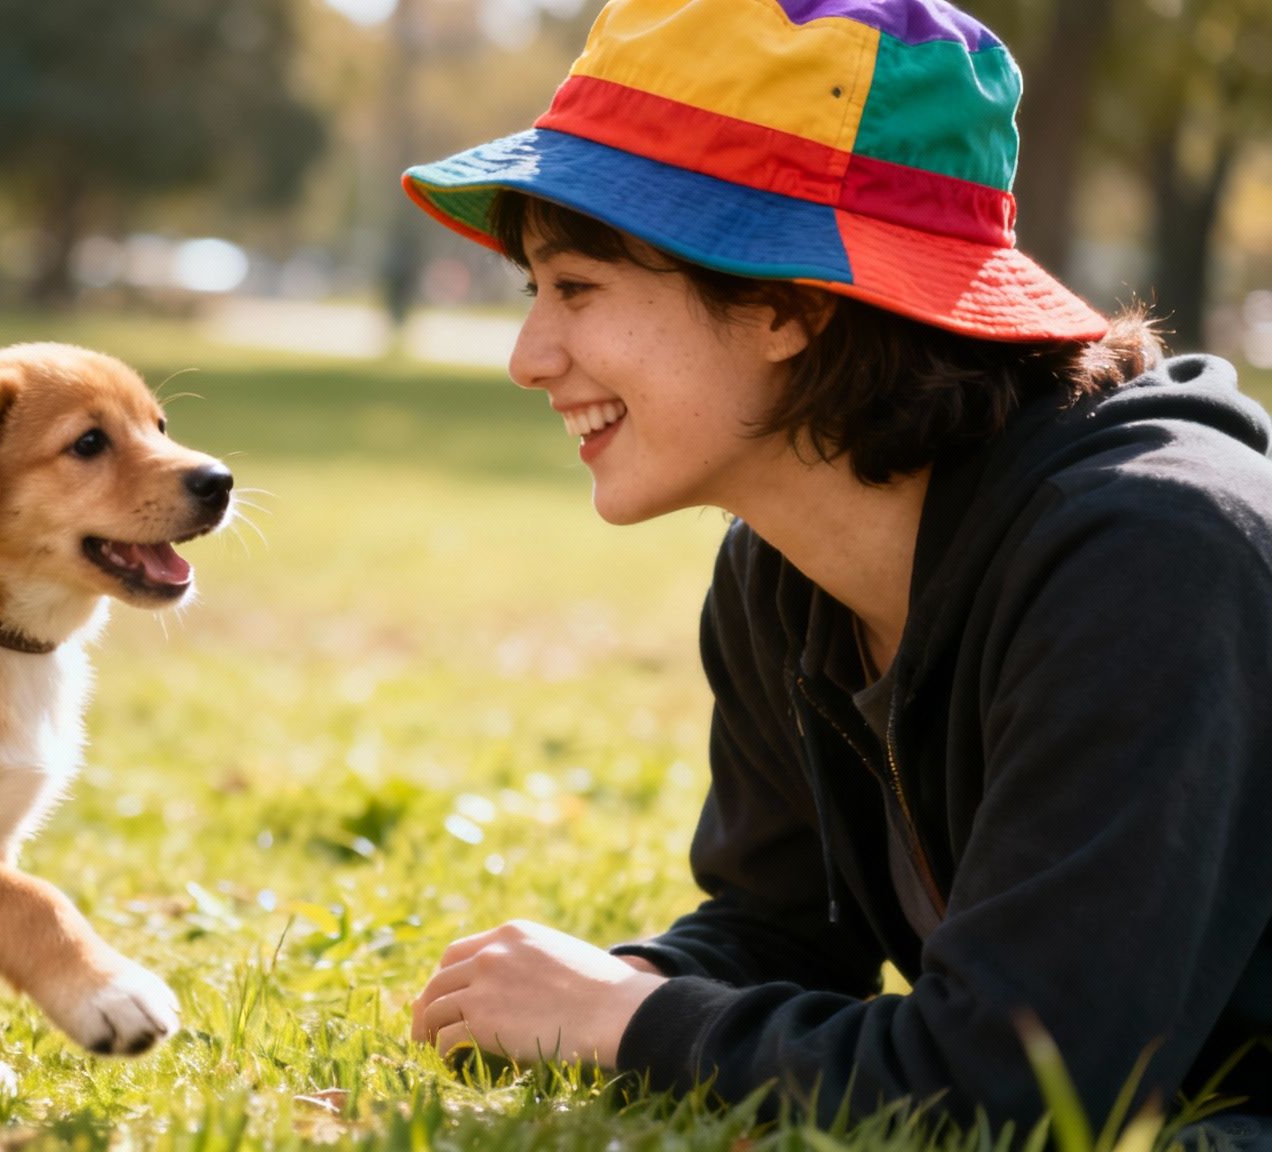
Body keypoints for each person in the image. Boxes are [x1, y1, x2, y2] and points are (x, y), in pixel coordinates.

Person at [399, 0, 1272, 1130]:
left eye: (577, 288)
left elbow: (1016, 1091)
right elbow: (786, 933)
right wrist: (599, 991)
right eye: (534, 293)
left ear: (787, 304)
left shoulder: (1150, 561)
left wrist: (624, 1020)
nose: (530, 357)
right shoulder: (782, 572)